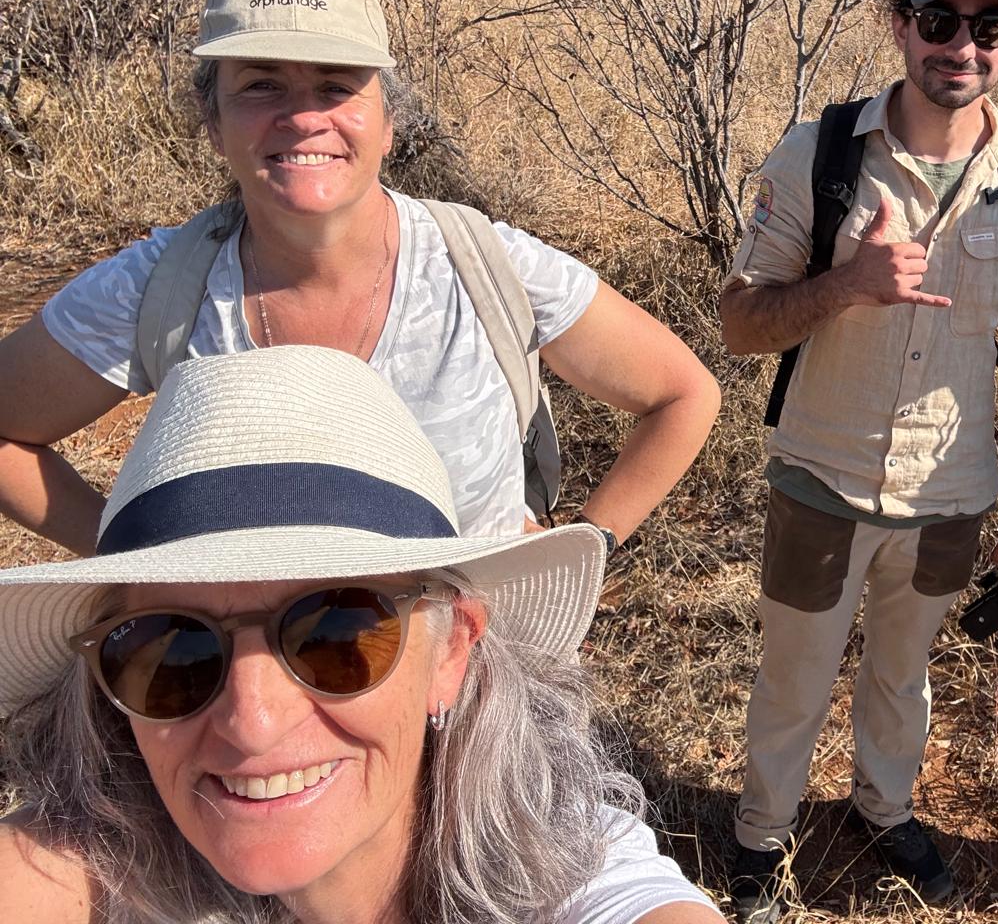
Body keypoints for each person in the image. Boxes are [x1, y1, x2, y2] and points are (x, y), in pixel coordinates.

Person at [0, 0, 720, 553]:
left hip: (475, 674)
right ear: (213, 123)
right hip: (253, 699)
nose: (304, 118)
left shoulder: (487, 267)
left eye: (337, 85)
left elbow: (682, 394)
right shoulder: (160, 289)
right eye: (260, 85)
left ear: (389, 121)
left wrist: (586, 545)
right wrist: (131, 553)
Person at [0, 345, 724, 924]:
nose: (251, 722)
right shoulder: (98, 862)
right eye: (168, 651)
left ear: (451, 650)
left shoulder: (573, 869)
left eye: (335, 634)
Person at [719, 0, 998, 920]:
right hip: (821, 478)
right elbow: (742, 323)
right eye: (940, 20)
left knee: (903, 672)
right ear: (900, 23)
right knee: (793, 679)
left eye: (989, 23)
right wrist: (847, 284)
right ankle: (759, 839)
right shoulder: (819, 154)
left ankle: (884, 808)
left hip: (950, 489)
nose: (961, 45)